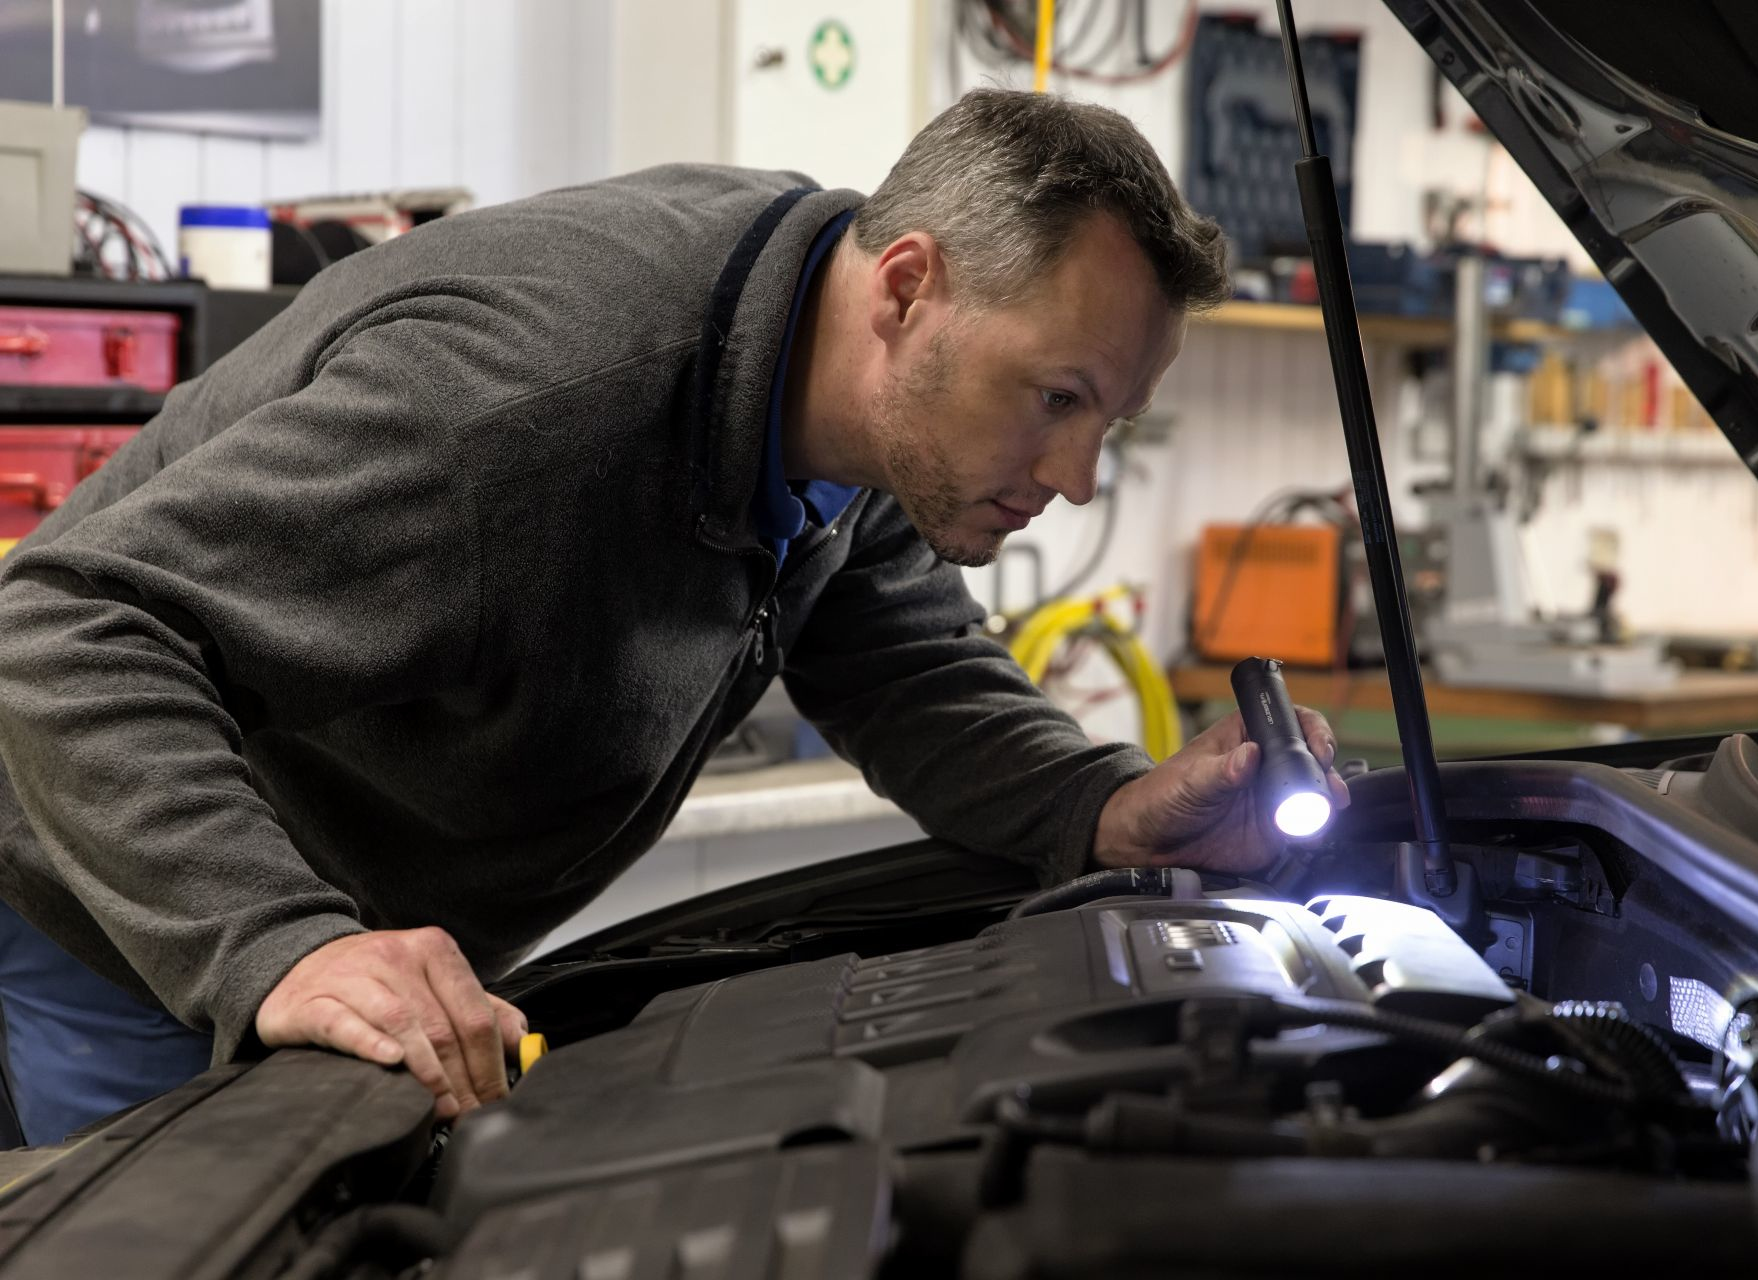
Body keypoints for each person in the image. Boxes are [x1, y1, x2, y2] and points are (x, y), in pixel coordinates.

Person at [0, 88, 1346, 1146]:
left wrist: (1103, 809)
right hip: (114, 910)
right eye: (1055, 398)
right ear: (908, 288)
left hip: (343, 921)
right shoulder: (521, 405)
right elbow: (65, 631)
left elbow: (903, 666)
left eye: (1112, 420)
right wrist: (275, 944)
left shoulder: (843, 392)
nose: (1076, 477)